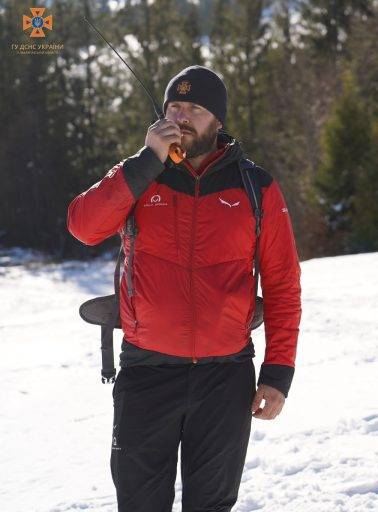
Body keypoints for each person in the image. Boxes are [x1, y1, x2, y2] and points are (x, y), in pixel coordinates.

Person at [67, 65, 301, 511]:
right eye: (175, 105)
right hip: (146, 373)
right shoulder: (138, 175)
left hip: (225, 377)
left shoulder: (256, 187)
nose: (183, 116)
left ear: (218, 120)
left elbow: (283, 284)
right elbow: (83, 227)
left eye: (195, 108)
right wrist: (145, 162)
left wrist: (278, 373)